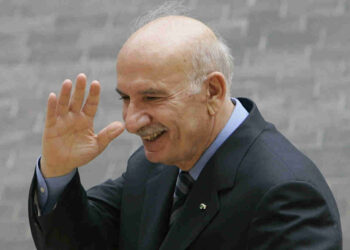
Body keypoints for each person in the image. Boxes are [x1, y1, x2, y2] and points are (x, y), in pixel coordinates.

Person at [28, 11, 342, 250]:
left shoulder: (287, 196)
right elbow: (83, 241)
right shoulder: (151, 165)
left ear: (213, 92)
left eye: (152, 97)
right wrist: (59, 170)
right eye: (125, 99)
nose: (132, 122)